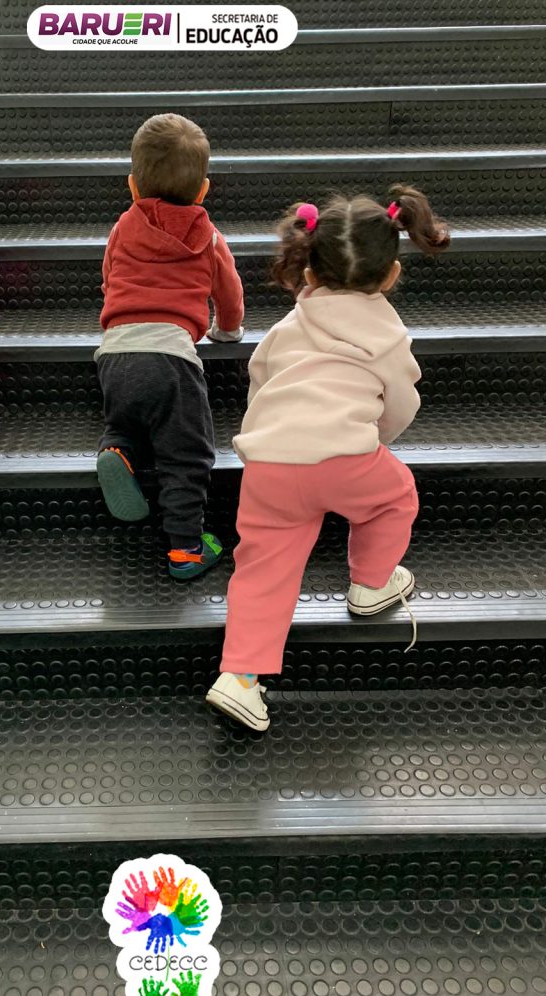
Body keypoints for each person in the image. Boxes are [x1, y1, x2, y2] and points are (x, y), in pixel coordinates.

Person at [206, 186, 450, 731]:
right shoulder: (388, 335)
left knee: (263, 568)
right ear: (391, 275)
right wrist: (375, 439)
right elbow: (401, 404)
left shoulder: (285, 330)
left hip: (270, 464)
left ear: (309, 271)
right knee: (395, 497)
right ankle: (371, 584)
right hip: (346, 457)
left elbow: (260, 385)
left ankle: (239, 677)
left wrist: (270, 437)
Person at [96, 113, 245, 579]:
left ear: (132, 186)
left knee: (125, 421)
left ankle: (117, 451)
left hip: (115, 354)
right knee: (186, 455)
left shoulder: (122, 227)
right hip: (172, 361)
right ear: (203, 190)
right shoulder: (208, 236)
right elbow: (230, 295)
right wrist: (227, 331)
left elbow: (108, 280)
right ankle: (186, 548)